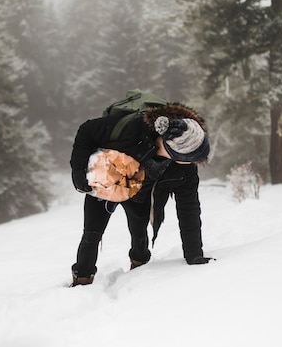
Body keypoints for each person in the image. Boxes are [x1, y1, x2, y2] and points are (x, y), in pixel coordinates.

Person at [69, 100, 213, 286]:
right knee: (92, 234)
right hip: (106, 182)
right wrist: (79, 172)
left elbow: (189, 208)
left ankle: (139, 267)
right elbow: (86, 131)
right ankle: (82, 278)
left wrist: (194, 255)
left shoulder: (185, 170)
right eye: (189, 159)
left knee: (139, 232)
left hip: (140, 195)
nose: (191, 164)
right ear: (173, 151)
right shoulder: (134, 129)